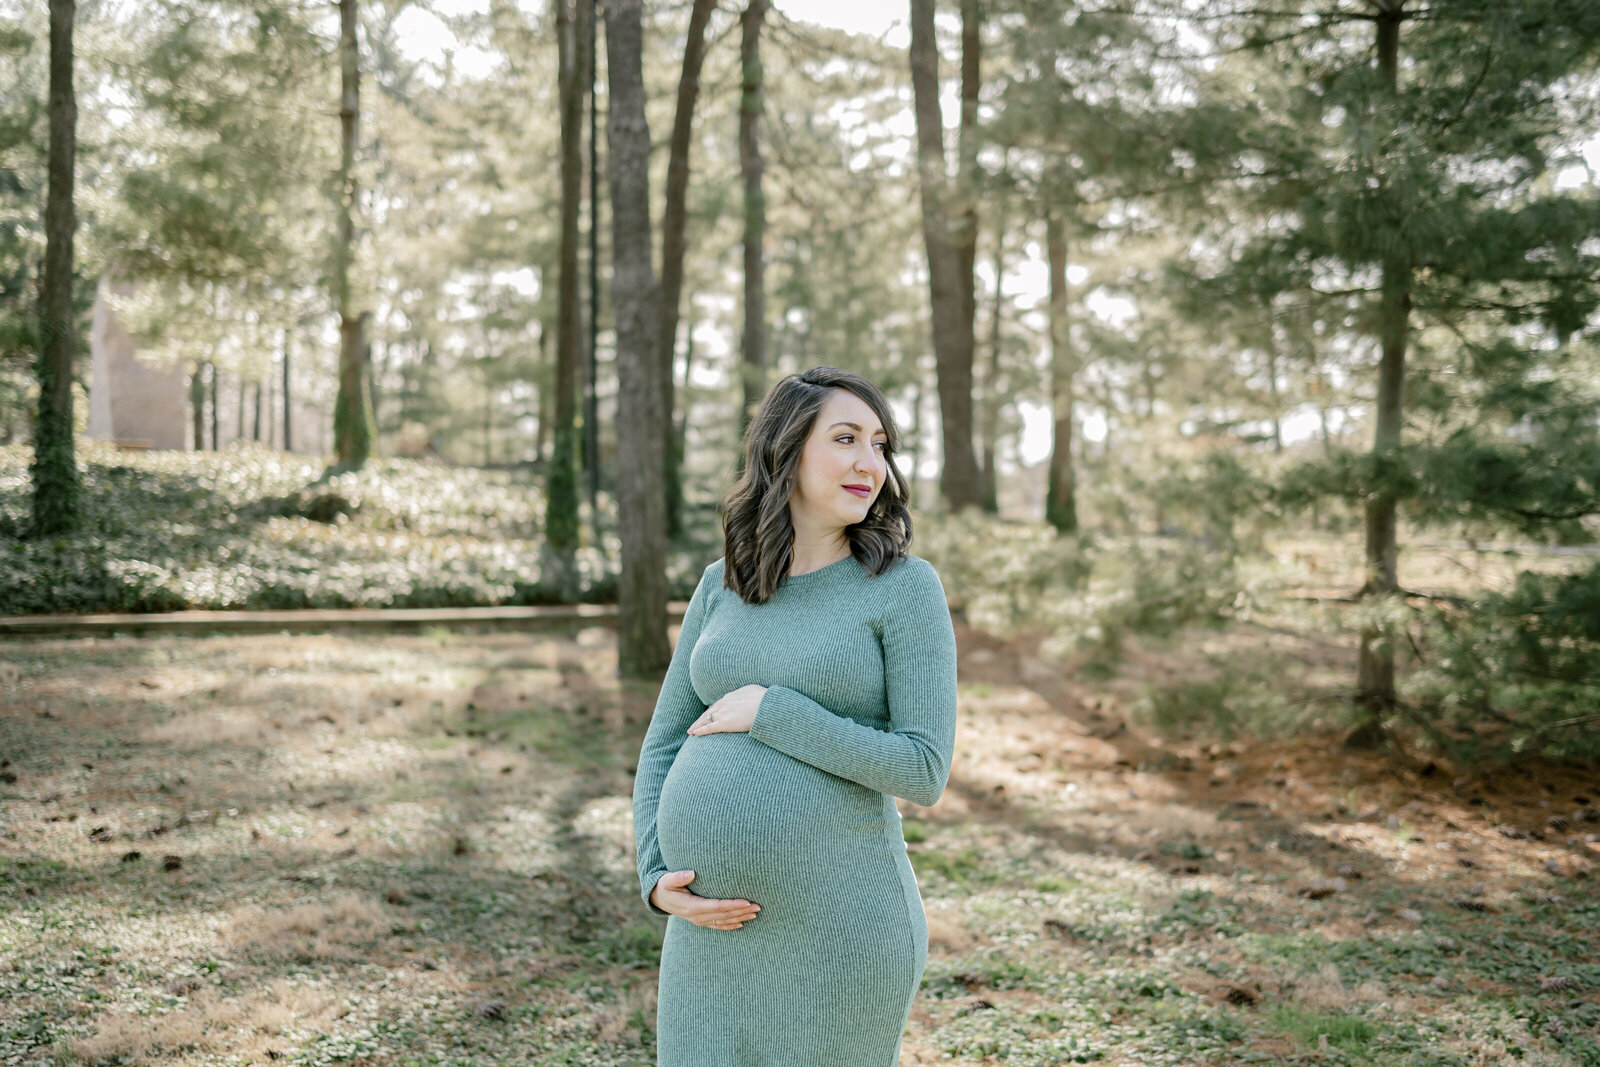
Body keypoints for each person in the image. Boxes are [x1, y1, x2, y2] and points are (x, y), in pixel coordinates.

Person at [632, 366, 960, 1067]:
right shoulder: (721, 584)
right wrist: (654, 876)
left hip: (841, 929)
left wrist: (774, 712)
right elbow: (663, 742)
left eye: (880, 444)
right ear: (787, 450)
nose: (869, 462)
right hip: (709, 938)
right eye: (846, 438)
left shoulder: (903, 588)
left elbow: (924, 768)